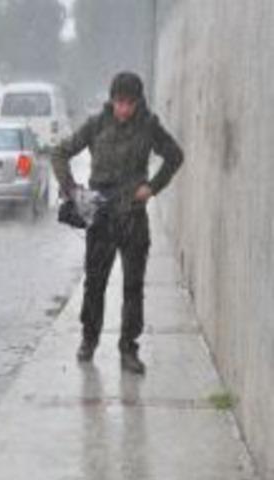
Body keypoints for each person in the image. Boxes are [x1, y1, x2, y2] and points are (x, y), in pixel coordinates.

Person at [51, 72, 185, 374]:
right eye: (119, 102)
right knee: (94, 283)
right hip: (101, 216)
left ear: (138, 102)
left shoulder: (148, 125)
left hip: (133, 216)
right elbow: (59, 152)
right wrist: (72, 189)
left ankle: (128, 348)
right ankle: (89, 339)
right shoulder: (97, 124)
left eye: (129, 103)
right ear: (111, 100)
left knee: (133, 286)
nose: (124, 109)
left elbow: (175, 156)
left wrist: (152, 187)